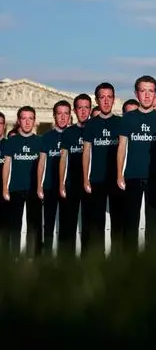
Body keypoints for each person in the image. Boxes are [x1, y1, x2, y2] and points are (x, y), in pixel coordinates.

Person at [116, 75, 156, 250]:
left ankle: (152, 262)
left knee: (153, 223)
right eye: (143, 91)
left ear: (155, 93)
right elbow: (122, 146)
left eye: (150, 91)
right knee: (130, 222)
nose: (147, 95)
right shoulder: (128, 118)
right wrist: (119, 173)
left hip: (155, 176)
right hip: (132, 176)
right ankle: (129, 261)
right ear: (136, 93)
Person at [82, 82, 121, 254]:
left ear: (113, 99)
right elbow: (86, 152)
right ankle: (97, 258)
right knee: (96, 223)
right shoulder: (91, 124)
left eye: (109, 97)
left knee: (118, 222)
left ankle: (117, 258)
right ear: (97, 100)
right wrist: (85, 178)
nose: (106, 101)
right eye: (102, 97)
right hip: (96, 179)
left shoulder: (121, 122)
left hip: (116, 179)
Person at [1, 106, 41, 256]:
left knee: (33, 225)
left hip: (33, 189)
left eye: (30, 118)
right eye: (24, 118)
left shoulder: (40, 141)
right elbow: (6, 166)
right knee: (15, 225)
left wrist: (40, 187)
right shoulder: (11, 142)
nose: (27, 122)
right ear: (18, 121)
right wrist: (5, 188)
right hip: (15, 188)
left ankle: (32, 256)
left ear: (34, 121)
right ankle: (14, 256)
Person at [36, 100, 72, 255]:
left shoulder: (74, 135)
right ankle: (47, 254)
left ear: (70, 116)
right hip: (50, 185)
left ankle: (66, 255)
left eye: (66, 114)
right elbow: (42, 162)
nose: (63, 117)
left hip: (69, 185)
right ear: (54, 116)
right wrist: (39, 185)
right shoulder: (46, 137)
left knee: (67, 222)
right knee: (49, 222)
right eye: (59, 114)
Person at [57, 94, 91, 255]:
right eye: (80, 108)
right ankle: (67, 258)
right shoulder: (69, 132)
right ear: (75, 110)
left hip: (91, 183)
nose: (83, 112)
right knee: (68, 223)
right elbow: (63, 158)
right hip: (71, 183)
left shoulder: (95, 128)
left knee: (88, 224)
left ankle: (87, 257)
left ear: (90, 109)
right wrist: (62, 183)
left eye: (86, 108)